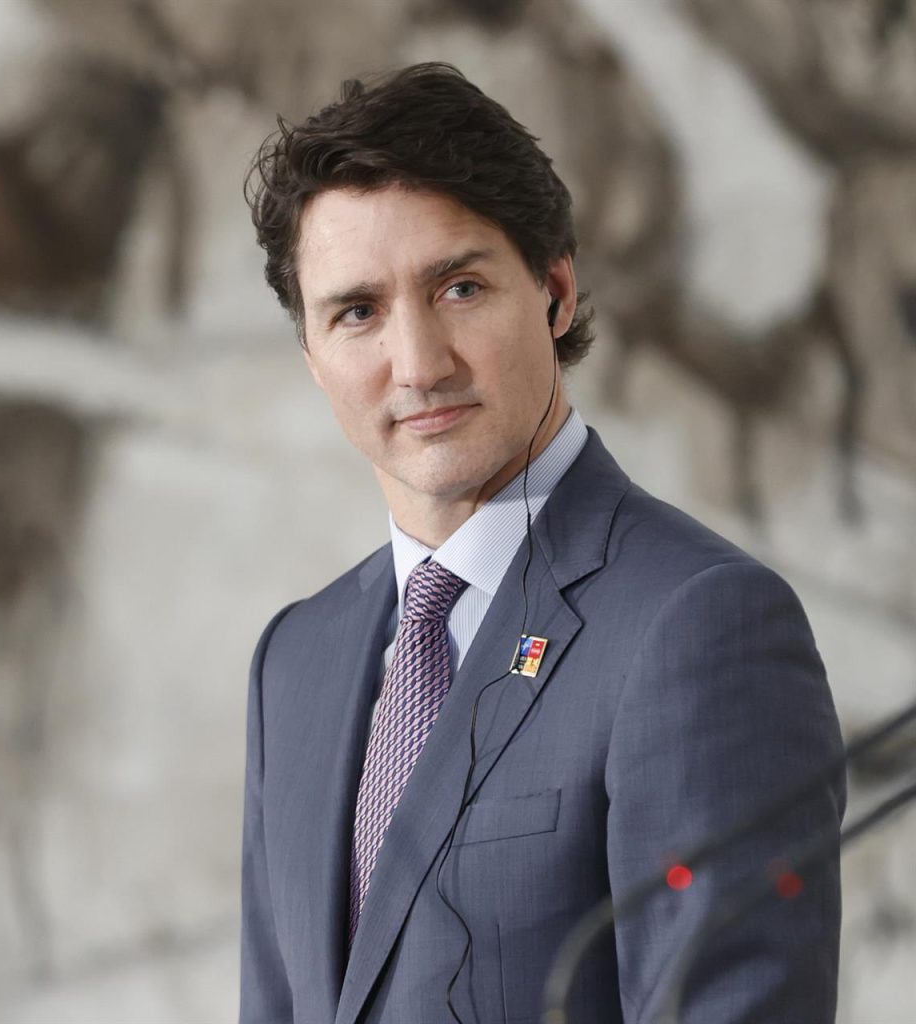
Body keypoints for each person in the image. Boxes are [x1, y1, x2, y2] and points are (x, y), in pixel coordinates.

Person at [238, 63, 844, 1024]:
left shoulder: (699, 625)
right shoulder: (295, 662)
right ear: (314, 358)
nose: (419, 364)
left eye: (461, 287)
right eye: (357, 312)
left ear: (555, 291)